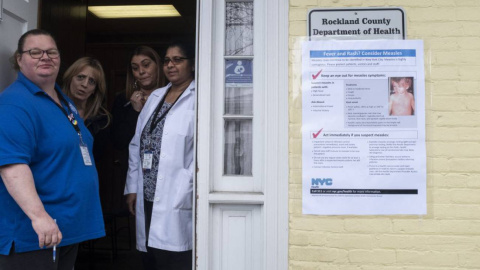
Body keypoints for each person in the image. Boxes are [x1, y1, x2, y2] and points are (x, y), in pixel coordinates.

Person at [0, 29, 105, 269]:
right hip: (34, 236)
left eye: (51, 52)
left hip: (66, 230)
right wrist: (39, 217)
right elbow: (12, 167)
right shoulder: (14, 103)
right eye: (35, 52)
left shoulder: (63, 99)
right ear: (19, 59)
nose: (45, 57)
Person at [124, 41, 195, 270]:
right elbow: (137, 143)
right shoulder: (155, 96)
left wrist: (188, 185)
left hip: (177, 191)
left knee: (173, 258)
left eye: (177, 60)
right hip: (147, 191)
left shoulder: (199, 97)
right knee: (150, 257)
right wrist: (133, 187)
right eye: (166, 60)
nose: (170, 65)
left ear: (191, 64)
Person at [110, 46, 163, 214]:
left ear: (158, 66)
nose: (141, 71)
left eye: (146, 65)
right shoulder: (123, 99)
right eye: (135, 67)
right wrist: (135, 111)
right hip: (136, 175)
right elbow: (119, 141)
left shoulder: (172, 96)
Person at [63, 57, 111, 160]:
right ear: (70, 78)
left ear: (95, 89)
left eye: (92, 81)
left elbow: (102, 161)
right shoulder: (54, 109)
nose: (85, 84)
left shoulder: (101, 120)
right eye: (80, 77)